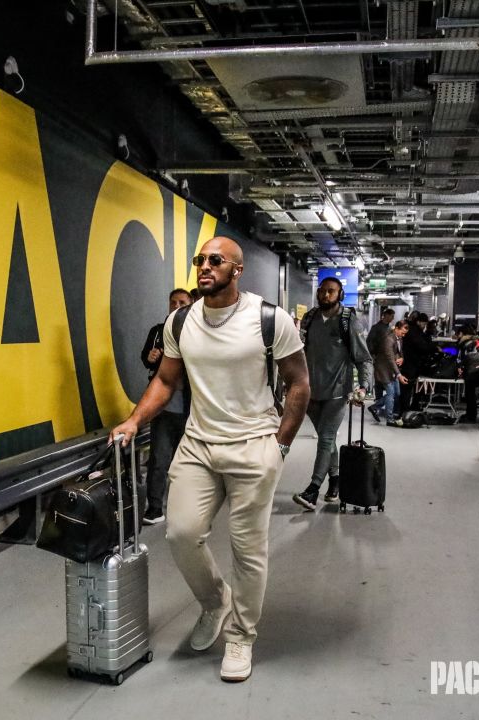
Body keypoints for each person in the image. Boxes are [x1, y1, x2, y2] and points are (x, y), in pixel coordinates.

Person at [110, 236, 310, 683]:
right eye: (200, 259)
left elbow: (298, 384)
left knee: (248, 550)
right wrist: (132, 420)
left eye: (215, 260)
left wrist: (279, 445)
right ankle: (215, 601)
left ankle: (240, 635)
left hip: (253, 445)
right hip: (199, 445)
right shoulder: (180, 322)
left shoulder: (268, 320)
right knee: (181, 533)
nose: (204, 266)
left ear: (236, 270)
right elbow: (165, 381)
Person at [291, 277, 373, 510]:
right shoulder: (310, 318)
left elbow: (364, 358)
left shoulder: (348, 322)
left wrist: (363, 387)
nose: (326, 295)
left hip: (338, 393)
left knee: (326, 439)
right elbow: (300, 354)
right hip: (311, 394)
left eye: (331, 291)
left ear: (340, 295)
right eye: (323, 291)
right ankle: (335, 482)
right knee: (328, 443)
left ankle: (312, 489)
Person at [138, 288, 194, 524]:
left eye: (182, 302)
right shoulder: (158, 332)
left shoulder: (199, 333)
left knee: (189, 462)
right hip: (163, 408)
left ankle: (187, 506)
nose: (176, 306)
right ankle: (154, 507)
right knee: (159, 460)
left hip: (192, 410)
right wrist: (149, 358)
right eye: (173, 302)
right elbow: (145, 358)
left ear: (191, 305)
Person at [398, 312, 437, 414]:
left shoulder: (415, 331)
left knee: (407, 387)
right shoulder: (414, 331)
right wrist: (434, 347)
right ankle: (404, 410)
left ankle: (405, 408)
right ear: (418, 322)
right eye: (423, 323)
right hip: (410, 363)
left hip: (410, 363)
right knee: (407, 387)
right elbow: (422, 346)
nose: (424, 326)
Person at [369, 318, 406, 426]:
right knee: (391, 393)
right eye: (402, 332)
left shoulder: (399, 338)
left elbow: (399, 353)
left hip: (392, 370)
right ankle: (389, 419)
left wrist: (401, 358)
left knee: (396, 393)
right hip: (384, 369)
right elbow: (389, 358)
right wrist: (399, 374)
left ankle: (374, 407)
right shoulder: (388, 339)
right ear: (397, 329)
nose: (403, 335)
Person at [455, 324, 479, 423]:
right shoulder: (478, 341)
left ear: (462, 333)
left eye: (458, 334)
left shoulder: (464, 343)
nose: (457, 336)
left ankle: (471, 416)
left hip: (470, 371)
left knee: (470, 394)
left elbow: (460, 358)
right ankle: (476, 415)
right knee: (476, 394)